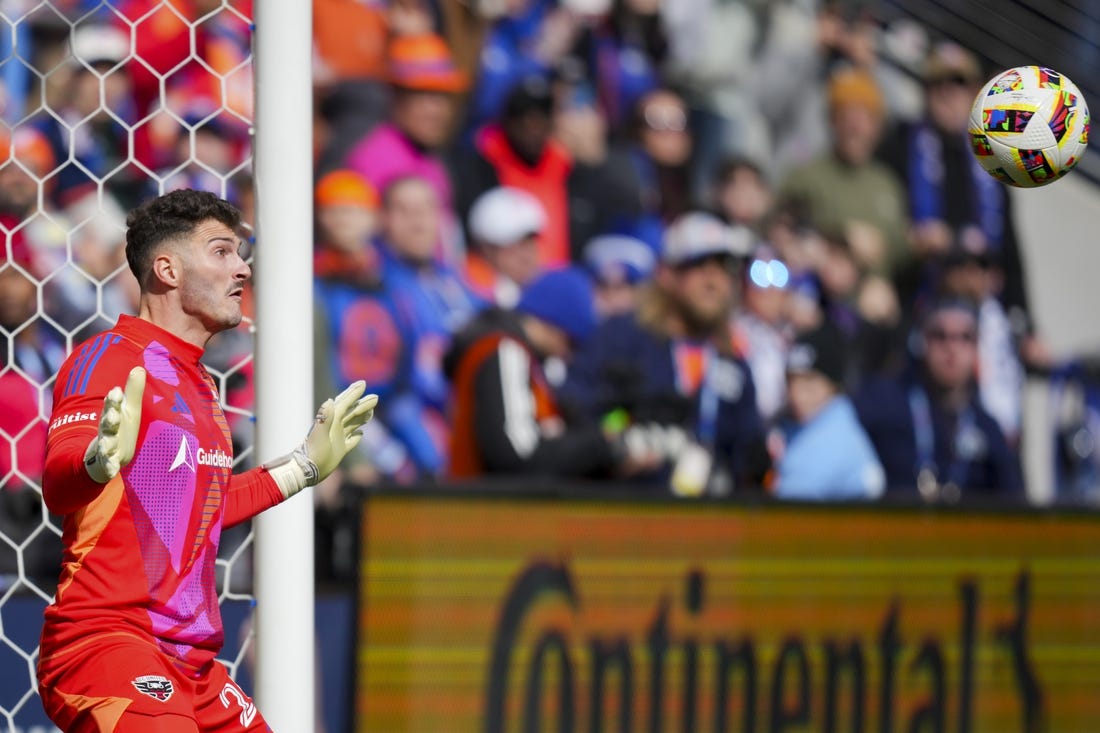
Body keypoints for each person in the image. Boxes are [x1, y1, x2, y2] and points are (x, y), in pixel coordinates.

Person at [36, 189, 378, 732]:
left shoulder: (197, 384)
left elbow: (200, 507)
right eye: (222, 251)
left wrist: (301, 468)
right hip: (108, 643)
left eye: (240, 254)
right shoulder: (107, 357)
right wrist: (95, 463)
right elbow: (59, 484)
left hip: (192, 664)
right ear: (167, 269)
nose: (242, 267)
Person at [566, 211, 764, 496]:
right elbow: (576, 408)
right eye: (699, 265)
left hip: (706, 523)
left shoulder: (732, 361)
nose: (713, 280)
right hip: (623, 507)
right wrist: (619, 439)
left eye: (724, 267)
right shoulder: (622, 338)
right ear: (667, 274)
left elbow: (746, 455)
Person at [445, 268, 650, 479]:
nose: (568, 354)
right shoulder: (505, 350)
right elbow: (517, 453)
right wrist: (602, 447)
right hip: (481, 505)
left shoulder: (525, 358)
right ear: (555, 322)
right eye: (571, 342)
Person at [854, 297, 1025, 502]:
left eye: (964, 337)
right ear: (921, 341)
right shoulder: (881, 402)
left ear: (977, 347)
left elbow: (1016, 505)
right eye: (939, 336)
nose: (951, 348)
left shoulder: (987, 427)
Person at [771, 324, 885, 501]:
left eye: (809, 382)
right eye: (792, 381)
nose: (797, 394)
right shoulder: (807, 423)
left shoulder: (833, 436)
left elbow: (785, 509)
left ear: (832, 386)